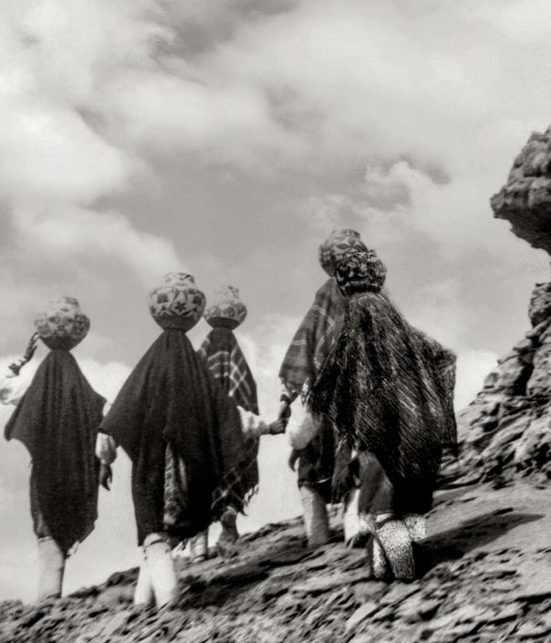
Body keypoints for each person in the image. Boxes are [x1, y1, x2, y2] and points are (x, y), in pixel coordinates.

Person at [95, 273, 248, 608]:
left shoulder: (150, 365)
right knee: (162, 538)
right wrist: (265, 426)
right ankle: (142, 604)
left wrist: (105, 461)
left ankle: (168, 600)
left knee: (152, 534)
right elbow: (229, 413)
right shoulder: (196, 369)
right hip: (190, 471)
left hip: (151, 468)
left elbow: (117, 416)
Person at [306, 249, 457, 581]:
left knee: (379, 512)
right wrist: (433, 405)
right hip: (419, 434)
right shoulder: (405, 330)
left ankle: (405, 573)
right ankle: (389, 566)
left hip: (381, 441)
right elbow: (445, 358)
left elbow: (328, 386)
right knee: (408, 508)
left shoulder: (355, 328)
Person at [0, 297, 106, 601]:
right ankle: (51, 591)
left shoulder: (35, 390)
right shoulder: (86, 394)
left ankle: (48, 595)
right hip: (75, 474)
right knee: (63, 522)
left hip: (45, 472)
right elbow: (104, 423)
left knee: (46, 526)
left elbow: (1, 387)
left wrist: (22, 362)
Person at [275, 229, 368, 547]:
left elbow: (304, 347)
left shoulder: (325, 298)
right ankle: (355, 527)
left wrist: (286, 399)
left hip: (324, 398)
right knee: (356, 462)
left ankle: (318, 536)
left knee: (310, 471)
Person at [188, 286, 280, 561]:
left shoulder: (199, 360)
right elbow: (243, 404)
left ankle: (198, 548)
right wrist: (264, 427)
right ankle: (228, 528)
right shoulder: (238, 363)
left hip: (201, 441)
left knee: (198, 489)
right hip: (232, 439)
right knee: (229, 481)